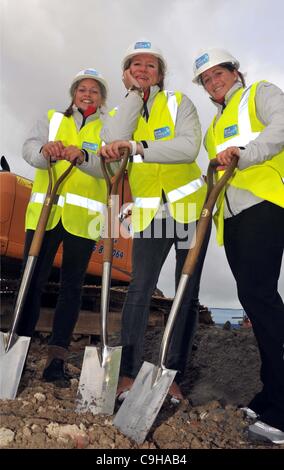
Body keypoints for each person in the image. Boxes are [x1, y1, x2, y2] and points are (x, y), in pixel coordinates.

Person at [100, 40, 209, 402]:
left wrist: (138, 147)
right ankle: (128, 373)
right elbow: (114, 142)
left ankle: (171, 374)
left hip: (189, 210)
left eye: (150, 66)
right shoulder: (122, 112)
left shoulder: (179, 103)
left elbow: (187, 147)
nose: (143, 71)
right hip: (151, 215)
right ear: (126, 74)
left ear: (160, 74)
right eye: (136, 66)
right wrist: (132, 101)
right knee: (139, 290)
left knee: (185, 292)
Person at [192, 47, 284, 444]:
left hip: (265, 204)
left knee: (261, 298)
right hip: (232, 220)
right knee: (253, 300)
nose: (214, 82)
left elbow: (282, 125)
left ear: (235, 71)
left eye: (219, 73)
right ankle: (270, 395)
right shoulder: (214, 127)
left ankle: (282, 411)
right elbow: (214, 174)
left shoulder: (259, 93)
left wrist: (245, 155)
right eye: (207, 79)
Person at [17, 68, 109, 387]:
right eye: (82, 88)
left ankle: (56, 360)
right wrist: (45, 152)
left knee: (72, 289)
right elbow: (29, 149)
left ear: (101, 98)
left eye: (94, 90)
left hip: (84, 221)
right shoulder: (52, 118)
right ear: (73, 93)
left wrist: (84, 156)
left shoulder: (109, 127)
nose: (87, 94)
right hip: (46, 213)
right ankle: (17, 352)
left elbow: (110, 167)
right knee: (31, 281)